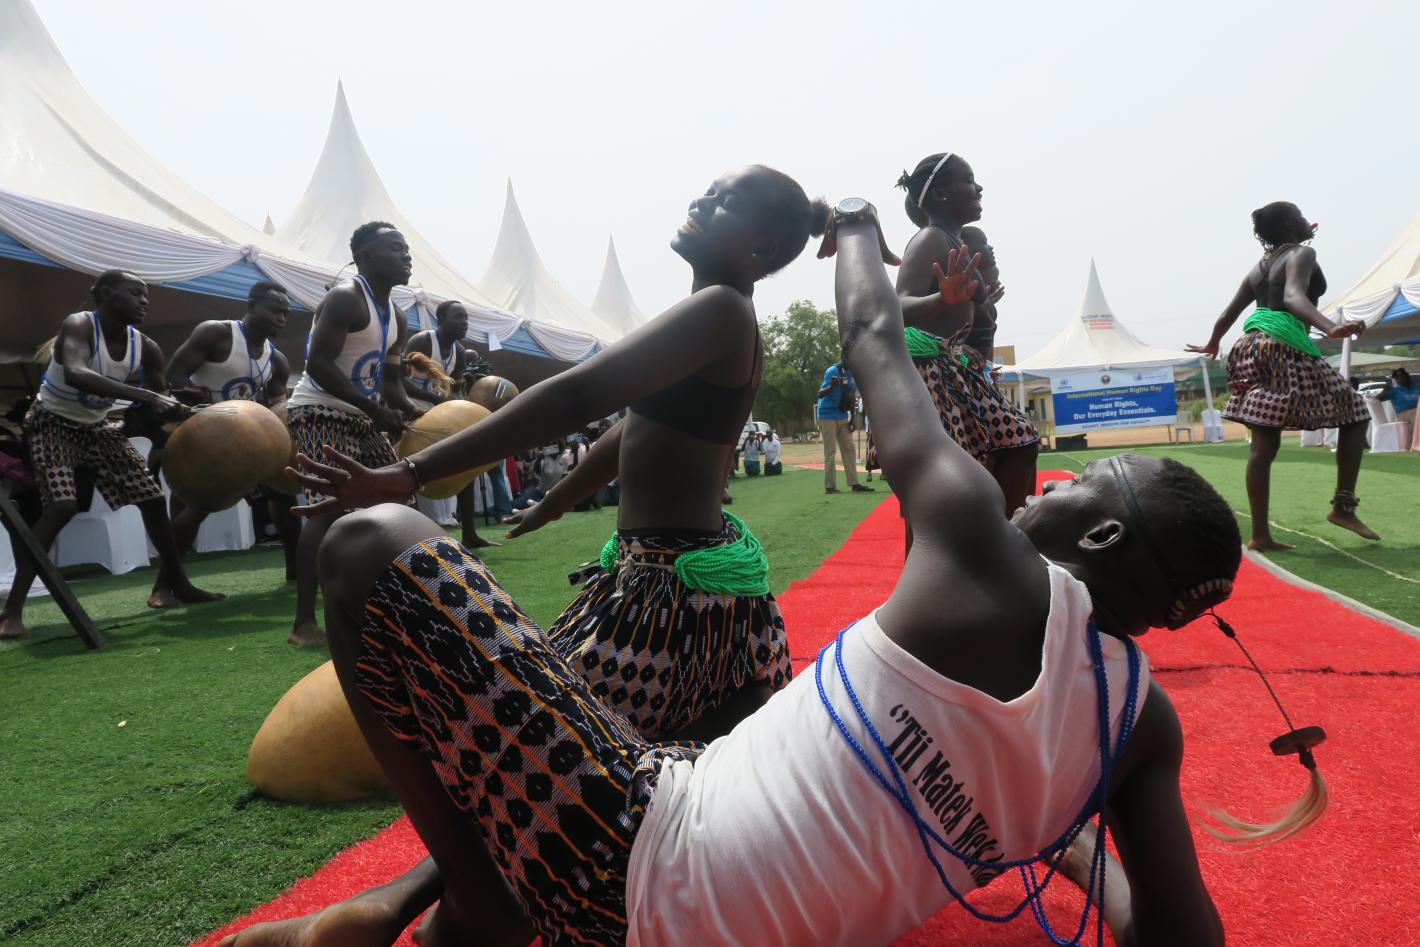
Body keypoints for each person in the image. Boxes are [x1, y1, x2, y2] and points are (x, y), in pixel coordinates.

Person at [247, 202, 1241, 947]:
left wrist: (856, 226)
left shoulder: (983, 551)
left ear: (1102, 541)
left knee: (368, 540)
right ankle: (443, 889)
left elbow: (870, 337)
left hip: (631, 859)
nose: (1054, 480)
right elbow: (1181, 934)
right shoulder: (1139, 724)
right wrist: (1059, 833)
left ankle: (479, 897)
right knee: (690, 738)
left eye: (1086, 483)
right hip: (684, 820)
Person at [232, 166, 828, 947]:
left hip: (670, 601)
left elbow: (578, 398)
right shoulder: (710, 314)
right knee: (555, 750)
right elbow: (631, 428)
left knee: (522, 739)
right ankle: (413, 900)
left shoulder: (719, 309)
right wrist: (558, 494)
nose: (696, 202)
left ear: (761, 247)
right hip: (672, 587)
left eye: (721, 203)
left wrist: (407, 472)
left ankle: (447, 905)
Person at [0, 271, 222, 640]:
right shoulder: (79, 325)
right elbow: (75, 372)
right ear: (105, 294)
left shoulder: (146, 347)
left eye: (146, 295)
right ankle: (12, 611)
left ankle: (174, 585)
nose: (144, 301)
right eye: (135, 293)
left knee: (152, 498)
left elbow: (156, 402)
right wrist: (149, 397)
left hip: (98, 428)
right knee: (61, 506)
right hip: (51, 423)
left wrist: (180, 406)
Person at [1187, 201, 1376, 549]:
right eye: (1302, 217)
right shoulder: (1302, 254)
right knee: (1357, 414)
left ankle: (1260, 536)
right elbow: (1292, 297)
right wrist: (1331, 328)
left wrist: (1214, 342)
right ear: (1291, 224)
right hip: (1283, 345)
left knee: (1263, 446)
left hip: (1250, 346)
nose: (1308, 222)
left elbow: (1228, 313)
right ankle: (1343, 507)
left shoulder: (1257, 269)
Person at [283, 222, 423, 647]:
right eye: (394, 248)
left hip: (359, 414)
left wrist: (409, 409)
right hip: (318, 410)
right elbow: (320, 364)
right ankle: (304, 623)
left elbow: (390, 381)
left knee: (401, 494)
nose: (406, 256)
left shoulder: (396, 316)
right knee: (325, 510)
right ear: (364, 257)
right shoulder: (346, 298)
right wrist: (374, 408)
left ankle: (403, 603)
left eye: (406, 248)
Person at [894, 153, 1038, 517]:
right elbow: (898, 305)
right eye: (969, 180)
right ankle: (978, 550)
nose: (979, 188)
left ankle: (998, 542)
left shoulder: (952, 241)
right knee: (940, 486)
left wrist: (976, 306)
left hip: (954, 369)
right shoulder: (930, 238)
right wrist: (942, 298)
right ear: (941, 194)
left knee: (1016, 445)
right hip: (929, 374)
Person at [163, 280, 298, 585]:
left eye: (286, 313)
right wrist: (202, 403)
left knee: (283, 491)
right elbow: (174, 374)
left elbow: (277, 407)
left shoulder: (276, 359)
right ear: (251, 307)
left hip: (244, 441)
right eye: (275, 310)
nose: (282, 319)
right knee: (199, 506)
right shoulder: (217, 332)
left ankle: (296, 572)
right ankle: (167, 585)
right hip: (201, 435)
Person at [816, 360, 873, 494]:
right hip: (827, 414)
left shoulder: (852, 374)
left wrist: (852, 419)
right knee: (830, 451)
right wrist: (831, 386)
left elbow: (852, 397)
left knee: (849, 449)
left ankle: (854, 483)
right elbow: (820, 393)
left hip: (842, 415)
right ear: (844, 357)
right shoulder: (832, 371)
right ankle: (830, 486)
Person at [401, 300, 468, 411]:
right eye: (458, 317)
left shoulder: (460, 352)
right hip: (408, 410)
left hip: (434, 414)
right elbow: (398, 380)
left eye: (466, 317)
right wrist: (435, 399)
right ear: (441, 319)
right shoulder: (423, 341)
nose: (465, 322)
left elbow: (455, 390)